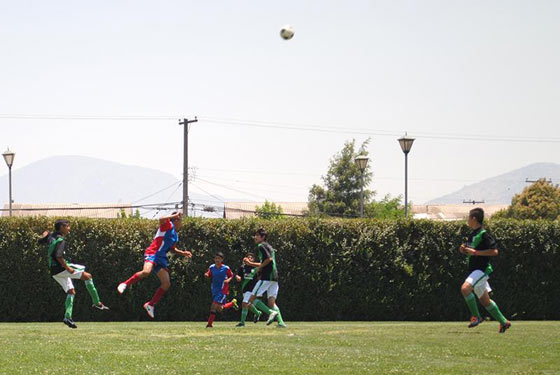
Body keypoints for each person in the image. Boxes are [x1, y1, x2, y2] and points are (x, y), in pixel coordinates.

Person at [117, 212, 192, 319]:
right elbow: (161, 218)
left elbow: (172, 249)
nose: (181, 222)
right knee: (146, 272)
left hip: (161, 258)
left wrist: (183, 253)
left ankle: (150, 304)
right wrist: (172, 216)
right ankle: (125, 284)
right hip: (153, 253)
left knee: (166, 283)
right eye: (180, 220)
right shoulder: (168, 225)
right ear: (175, 220)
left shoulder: (175, 235)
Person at [39, 219, 109, 329]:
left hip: (54, 271)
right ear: (61, 227)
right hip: (61, 268)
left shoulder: (52, 237)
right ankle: (97, 302)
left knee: (71, 291)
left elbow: (41, 240)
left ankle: (67, 317)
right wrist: (68, 268)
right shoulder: (60, 240)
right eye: (67, 226)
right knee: (88, 276)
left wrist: (45, 234)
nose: (69, 228)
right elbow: (58, 256)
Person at [459, 208, 511, 333]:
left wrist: (476, 252)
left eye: (469, 217)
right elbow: (470, 250)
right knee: (485, 301)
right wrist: (463, 249)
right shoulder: (472, 234)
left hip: (481, 270)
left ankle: (476, 317)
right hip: (474, 271)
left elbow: (494, 251)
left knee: (465, 289)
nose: (467, 220)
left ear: (474, 219)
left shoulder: (484, 234)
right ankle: (504, 322)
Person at [246, 228, 286, 328]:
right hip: (274, 277)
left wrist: (259, 268)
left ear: (263, 237)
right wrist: (251, 264)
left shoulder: (261, 245)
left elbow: (269, 259)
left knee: (251, 300)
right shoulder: (269, 247)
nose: (255, 237)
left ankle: (270, 313)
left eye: (257, 235)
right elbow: (267, 261)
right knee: (271, 302)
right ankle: (281, 323)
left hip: (267, 276)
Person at [204, 252, 238, 328]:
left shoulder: (226, 268)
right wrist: (206, 274)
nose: (217, 260)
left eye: (219, 258)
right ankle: (232, 303)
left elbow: (231, 275)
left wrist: (228, 280)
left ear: (222, 259)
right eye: (216, 258)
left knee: (213, 306)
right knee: (220, 308)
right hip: (214, 289)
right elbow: (209, 273)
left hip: (223, 290)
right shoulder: (212, 267)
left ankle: (209, 324)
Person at [234, 252, 263, 327]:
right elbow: (237, 274)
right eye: (248, 257)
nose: (249, 258)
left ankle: (242, 323)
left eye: (251, 257)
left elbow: (261, 268)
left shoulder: (255, 267)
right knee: (248, 304)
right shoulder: (243, 267)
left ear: (253, 260)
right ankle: (257, 313)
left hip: (252, 288)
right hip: (245, 288)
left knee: (244, 303)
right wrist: (237, 277)